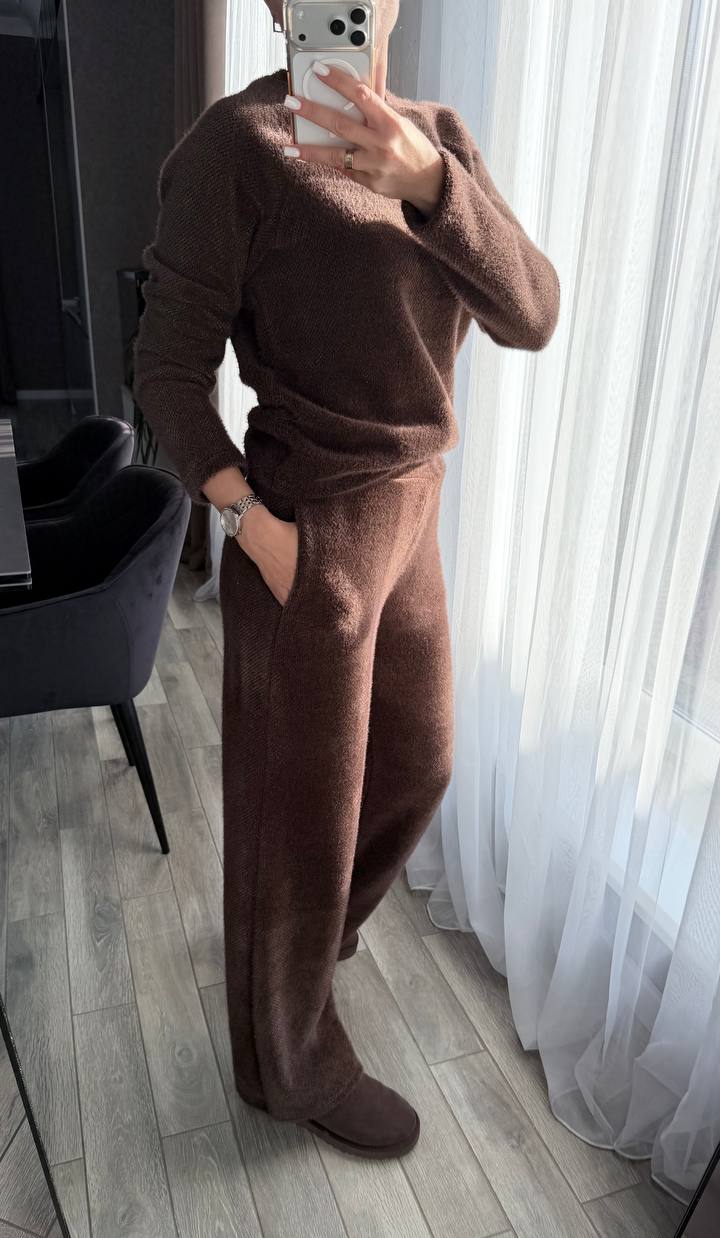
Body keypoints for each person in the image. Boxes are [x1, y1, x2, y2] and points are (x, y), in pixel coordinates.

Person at [132, 0, 560, 1160]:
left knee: (420, 765)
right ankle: (289, 1065)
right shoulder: (235, 150)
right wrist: (254, 530)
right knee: (298, 826)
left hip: (412, 513)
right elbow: (166, 366)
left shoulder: (440, 141)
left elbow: (532, 312)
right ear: (279, 6)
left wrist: (429, 185)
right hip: (311, 528)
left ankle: (299, 946)